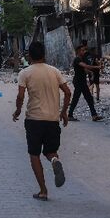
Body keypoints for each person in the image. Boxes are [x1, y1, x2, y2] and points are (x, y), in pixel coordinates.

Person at [12, 41, 71, 201]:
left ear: (29, 55)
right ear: (44, 54)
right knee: (51, 150)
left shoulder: (25, 73)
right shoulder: (55, 71)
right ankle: (54, 160)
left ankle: (43, 190)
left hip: (34, 119)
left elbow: (20, 96)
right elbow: (67, 92)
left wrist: (17, 111)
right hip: (52, 119)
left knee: (34, 154)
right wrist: (64, 112)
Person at [68, 44, 102, 121]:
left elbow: (85, 69)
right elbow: (86, 66)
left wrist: (90, 73)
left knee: (88, 98)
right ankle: (70, 115)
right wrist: (97, 67)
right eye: (82, 50)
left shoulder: (81, 59)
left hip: (82, 81)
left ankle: (94, 115)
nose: (84, 52)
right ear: (78, 51)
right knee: (77, 98)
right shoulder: (77, 59)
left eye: (84, 50)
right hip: (78, 81)